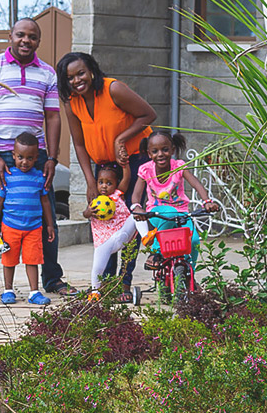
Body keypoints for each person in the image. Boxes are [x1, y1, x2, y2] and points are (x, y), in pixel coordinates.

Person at [0, 18, 78, 305]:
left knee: (46, 216)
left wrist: (52, 158)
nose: (25, 40)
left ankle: (52, 279)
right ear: (11, 36)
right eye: (20, 35)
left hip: (37, 155)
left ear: (38, 41)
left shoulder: (47, 74)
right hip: (1, 156)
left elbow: (53, 116)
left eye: (32, 36)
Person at [57, 52, 156, 302]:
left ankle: (124, 283)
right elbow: (79, 145)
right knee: (105, 221)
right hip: (103, 167)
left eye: (81, 73)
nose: (77, 80)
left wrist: (120, 138)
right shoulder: (72, 102)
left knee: (129, 223)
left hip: (134, 160)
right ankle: (107, 283)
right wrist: (90, 181)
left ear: (91, 70)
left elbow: (148, 115)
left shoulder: (114, 89)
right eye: (70, 77)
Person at [130, 131, 219, 269]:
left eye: (165, 149)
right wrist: (136, 207)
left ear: (172, 150)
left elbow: (196, 184)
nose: (160, 154)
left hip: (181, 213)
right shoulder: (146, 170)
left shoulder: (179, 166)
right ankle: (156, 253)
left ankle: (189, 276)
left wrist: (207, 201)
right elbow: (136, 194)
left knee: (194, 241)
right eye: (155, 151)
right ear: (149, 154)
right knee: (170, 212)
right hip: (156, 213)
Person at [0, 132, 57, 306]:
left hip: (34, 227)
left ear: (36, 158)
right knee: (9, 260)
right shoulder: (7, 176)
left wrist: (50, 225)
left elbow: (45, 203)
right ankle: (8, 290)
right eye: (20, 157)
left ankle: (34, 292)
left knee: (33, 260)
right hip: (10, 226)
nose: (24, 162)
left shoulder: (38, 178)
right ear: (13, 155)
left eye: (29, 158)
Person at [84, 162, 138, 291]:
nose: (104, 186)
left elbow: (127, 179)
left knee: (137, 214)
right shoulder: (95, 200)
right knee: (98, 267)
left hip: (121, 235)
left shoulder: (117, 194)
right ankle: (95, 291)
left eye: (109, 183)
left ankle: (147, 235)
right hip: (104, 242)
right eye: (101, 182)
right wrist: (89, 212)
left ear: (115, 184)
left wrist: (125, 165)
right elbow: (85, 213)